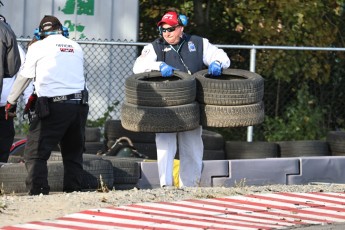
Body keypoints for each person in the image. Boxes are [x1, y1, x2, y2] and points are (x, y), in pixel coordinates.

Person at [132, 10, 230, 188]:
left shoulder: (198, 43)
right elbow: (137, 67)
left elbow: (221, 56)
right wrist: (157, 65)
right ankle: (165, 185)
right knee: (165, 145)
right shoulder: (155, 46)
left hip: (191, 106)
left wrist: (217, 63)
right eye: (163, 29)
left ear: (181, 27)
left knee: (192, 146)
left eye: (171, 29)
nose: (166, 33)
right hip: (165, 107)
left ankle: (190, 186)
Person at [6, 15, 89, 195]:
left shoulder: (38, 46)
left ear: (41, 32)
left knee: (35, 153)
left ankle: (39, 191)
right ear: (61, 30)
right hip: (79, 105)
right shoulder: (76, 46)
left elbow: (24, 77)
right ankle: (73, 190)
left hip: (54, 106)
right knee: (73, 153)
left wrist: (11, 102)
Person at [0, 15, 34, 163]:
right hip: (5, 103)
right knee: (4, 140)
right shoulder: (13, 44)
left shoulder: (18, 50)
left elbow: (24, 77)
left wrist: (29, 102)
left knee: (4, 140)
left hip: (5, 105)